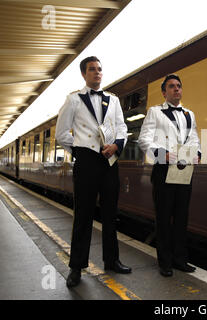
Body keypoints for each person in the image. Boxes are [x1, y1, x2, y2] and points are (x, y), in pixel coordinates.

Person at [55, 56, 132, 288]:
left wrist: (117, 145)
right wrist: (80, 150)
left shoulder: (113, 100)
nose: (97, 73)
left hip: (110, 160)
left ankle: (112, 260)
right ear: (83, 74)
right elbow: (61, 134)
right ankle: (76, 267)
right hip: (87, 161)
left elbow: (122, 127)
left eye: (100, 69)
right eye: (92, 69)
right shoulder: (73, 100)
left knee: (110, 213)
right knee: (83, 215)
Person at [138, 74, 201, 277]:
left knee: (182, 218)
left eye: (179, 86)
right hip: (164, 170)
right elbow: (143, 140)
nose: (176, 89)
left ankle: (180, 260)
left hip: (184, 169)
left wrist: (197, 154)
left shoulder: (189, 114)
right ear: (164, 92)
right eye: (172, 87)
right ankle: (165, 262)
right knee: (164, 218)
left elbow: (194, 139)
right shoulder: (155, 112)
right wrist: (161, 154)